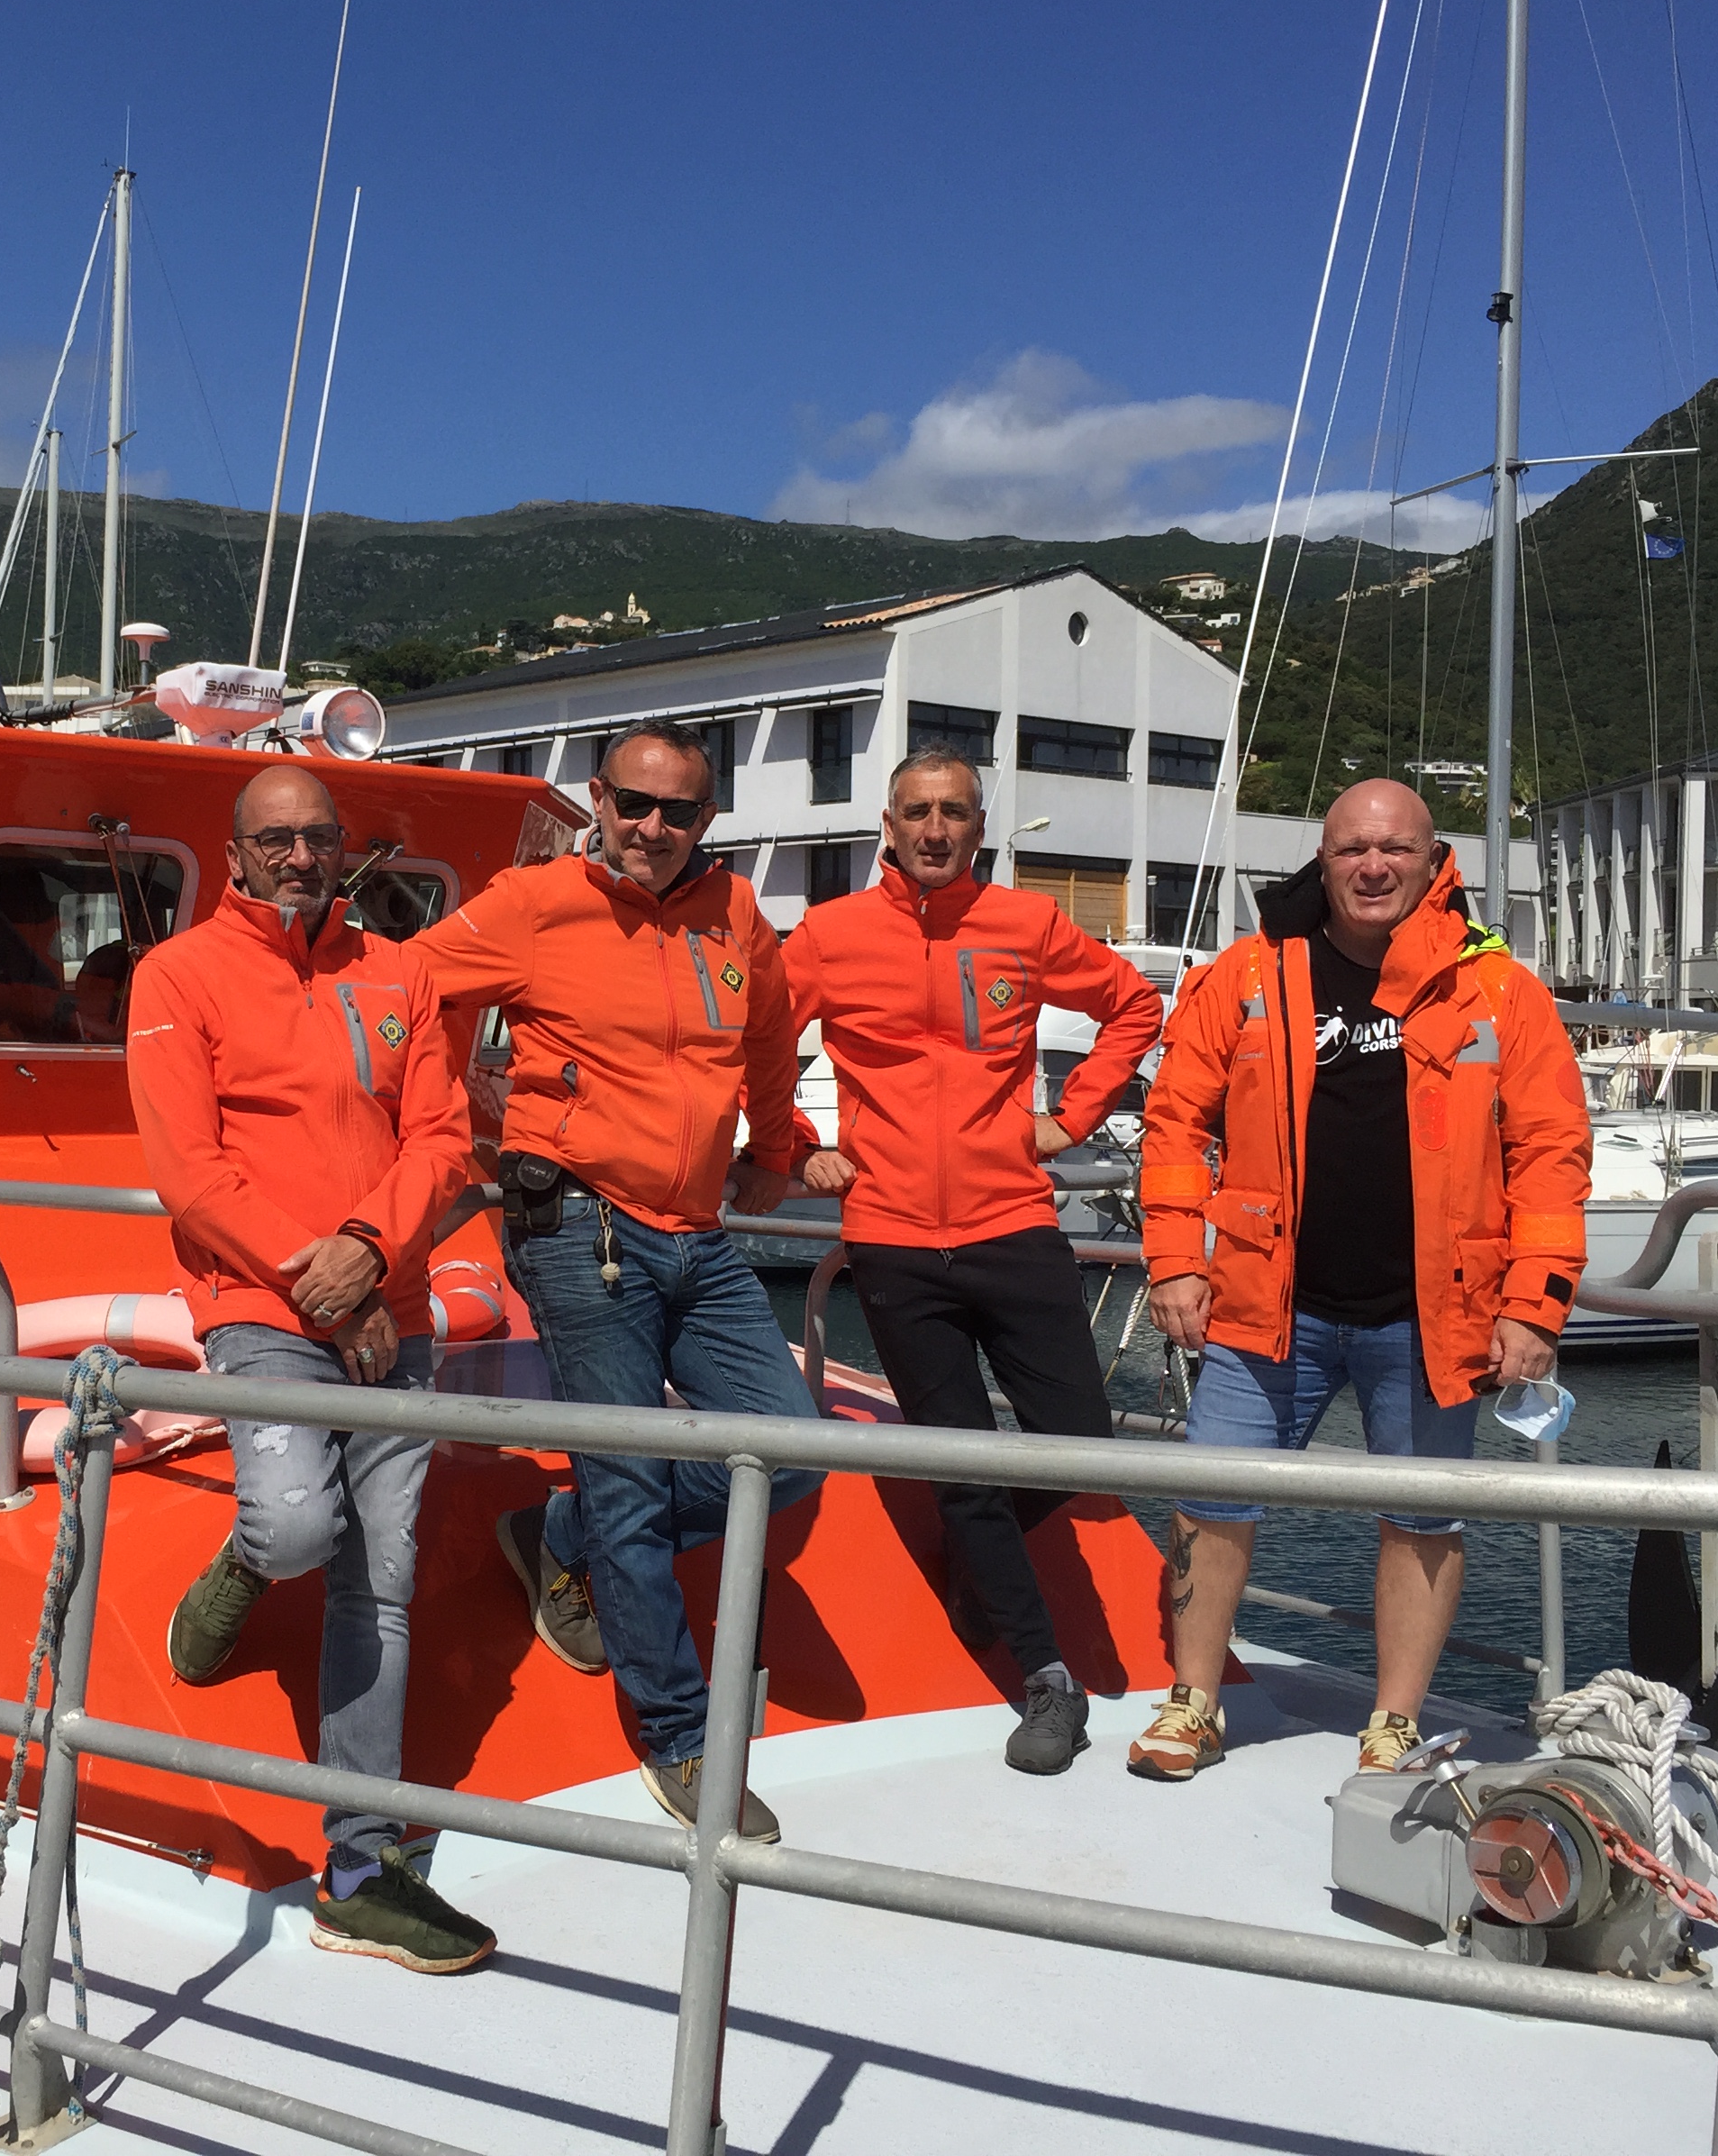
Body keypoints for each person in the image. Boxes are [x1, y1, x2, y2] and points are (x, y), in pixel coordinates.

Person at [1128, 780, 1591, 1782]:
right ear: (1322, 862)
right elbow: (1173, 1126)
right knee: (1213, 1504)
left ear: (1434, 863)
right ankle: (1194, 1699)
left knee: (1423, 1520)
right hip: (1264, 1308)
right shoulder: (1248, 977)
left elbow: (1552, 1154)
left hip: (1433, 1320)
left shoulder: (1500, 991)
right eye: (1350, 850)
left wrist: (1534, 1303)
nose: (1372, 867)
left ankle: (1392, 1725)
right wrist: (1174, 1259)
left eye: (1395, 849)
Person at [417, 721, 823, 1842]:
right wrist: (451, 1131)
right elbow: (412, 996)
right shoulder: (531, 903)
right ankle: (679, 1737)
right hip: (578, 1228)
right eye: (633, 804)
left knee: (789, 1453)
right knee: (636, 1477)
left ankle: (567, 1529)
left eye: (678, 812)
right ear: (597, 797)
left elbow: (772, 1037)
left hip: (697, 1231)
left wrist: (779, 1152)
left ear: (709, 820)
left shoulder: (734, 914)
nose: (651, 829)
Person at [123, 765, 494, 1973]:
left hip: (389, 1302)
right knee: (293, 1529)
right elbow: (189, 1168)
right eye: (274, 840)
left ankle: (360, 1864)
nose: (298, 857)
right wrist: (316, 1282)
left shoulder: (398, 971)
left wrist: (375, 1253)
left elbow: (442, 1139)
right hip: (263, 1303)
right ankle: (238, 1568)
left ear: (343, 852)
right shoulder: (177, 977)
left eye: (318, 838)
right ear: (233, 856)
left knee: (377, 1584)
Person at [782, 745, 1162, 1774]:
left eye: (954, 812)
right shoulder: (830, 935)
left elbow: (1135, 1006)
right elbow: (752, 1042)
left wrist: (1070, 1117)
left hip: (1013, 1221)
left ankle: (980, 1552)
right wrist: (788, 1145)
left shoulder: (1025, 925)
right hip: (895, 1240)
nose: (936, 829)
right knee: (958, 1457)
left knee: (1080, 1439)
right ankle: (1045, 1681)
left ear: (978, 828)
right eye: (917, 812)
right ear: (889, 828)